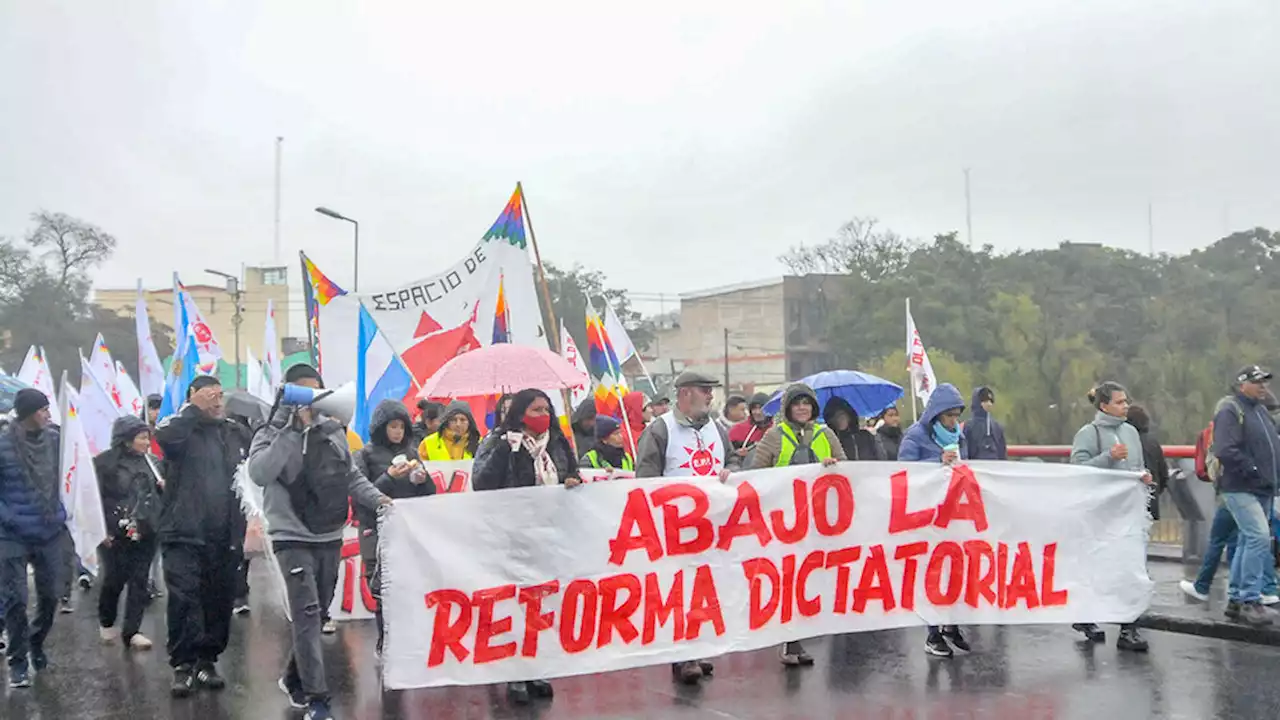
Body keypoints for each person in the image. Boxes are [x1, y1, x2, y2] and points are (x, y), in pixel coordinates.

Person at [247, 364, 392, 720]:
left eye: (318, 392)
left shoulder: (333, 430)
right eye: (305, 392)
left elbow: (350, 476)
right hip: (291, 536)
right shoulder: (271, 430)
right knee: (308, 614)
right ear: (290, 393)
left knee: (319, 609)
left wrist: (381, 501)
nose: (314, 399)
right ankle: (318, 699)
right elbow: (260, 472)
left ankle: (294, 678)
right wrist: (293, 429)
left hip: (328, 535)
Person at [471, 389, 578, 705]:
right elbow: (482, 483)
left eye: (547, 408)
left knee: (539, 604)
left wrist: (573, 480)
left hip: (546, 536)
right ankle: (513, 672)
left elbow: (570, 472)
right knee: (512, 604)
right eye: (535, 409)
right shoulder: (498, 442)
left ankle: (535, 667)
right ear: (519, 414)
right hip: (509, 538)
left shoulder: (557, 442)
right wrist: (506, 449)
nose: (543, 414)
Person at [635, 371, 739, 684]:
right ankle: (681, 657)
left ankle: (696, 648)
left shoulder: (716, 429)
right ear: (684, 394)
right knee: (677, 591)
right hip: (674, 527)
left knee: (703, 590)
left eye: (711, 390)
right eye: (704, 390)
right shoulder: (660, 430)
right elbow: (646, 478)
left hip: (710, 527)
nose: (710, 396)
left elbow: (734, 461)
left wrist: (730, 471)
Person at [155, 375, 250, 698]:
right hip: (183, 531)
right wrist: (192, 410)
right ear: (193, 396)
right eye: (210, 395)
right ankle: (182, 665)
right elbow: (164, 437)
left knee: (219, 600)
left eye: (220, 395)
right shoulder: (181, 429)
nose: (217, 401)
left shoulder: (233, 433)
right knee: (184, 597)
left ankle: (207, 659)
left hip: (223, 534)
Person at [748, 383, 844, 666]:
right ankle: (791, 642)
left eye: (807, 403)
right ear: (788, 407)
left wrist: (833, 465)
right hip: (785, 522)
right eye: (797, 402)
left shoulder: (826, 434)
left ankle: (798, 638)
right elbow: (756, 474)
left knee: (811, 579)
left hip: (818, 520)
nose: (802, 407)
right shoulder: (773, 436)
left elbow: (848, 469)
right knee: (789, 580)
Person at [1068, 381, 1155, 649]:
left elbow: (1136, 466)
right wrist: (1108, 456)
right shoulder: (1088, 433)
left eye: (1126, 401)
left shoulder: (1130, 432)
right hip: (1100, 515)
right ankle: (1085, 615)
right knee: (1099, 567)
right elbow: (1078, 469)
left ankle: (1129, 629)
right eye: (1119, 402)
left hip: (1128, 513)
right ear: (1104, 405)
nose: (1125, 406)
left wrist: (1143, 477)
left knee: (1132, 569)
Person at [898, 383, 972, 658]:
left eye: (956, 415)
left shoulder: (959, 437)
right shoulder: (915, 437)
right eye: (948, 416)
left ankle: (951, 625)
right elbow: (904, 473)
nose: (953, 421)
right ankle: (932, 634)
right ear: (936, 414)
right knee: (931, 573)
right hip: (926, 516)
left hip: (954, 513)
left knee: (955, 570)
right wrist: (936, 463)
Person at [0, 389, 67, 688]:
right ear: (27, 413)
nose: (48, 415)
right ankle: (17, 661)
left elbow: (71, 475)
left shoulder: (55, 441)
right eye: (42, 410)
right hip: (11, 533)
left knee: (51, 595)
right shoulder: (2, 445)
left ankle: (35, 641)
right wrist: (8, 517)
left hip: (48, 529)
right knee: (16, 599)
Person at [353, 399, 430, 656]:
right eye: (392, 426)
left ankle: (407, 638)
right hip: (375, 529)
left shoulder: (412, 453)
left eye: (401, 426)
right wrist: (389, 478)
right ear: (380, 427)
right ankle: (384, 640)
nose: (397, 431)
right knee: (382, 587)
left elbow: (430, 493)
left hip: (406, 529)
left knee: (407, 584)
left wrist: (422, 480)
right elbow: (362, 496)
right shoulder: (364, 455)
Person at [1206, 366, 1280, 627]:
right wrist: (1256, 471)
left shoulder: (1260, 411)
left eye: (1264, 382)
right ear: (1241, 385)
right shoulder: (1231, 410)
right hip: (1240, 486)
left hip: (1262, 487)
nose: (1263, 386)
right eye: (1256, 382)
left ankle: (1237, 600)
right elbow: (1226, 449)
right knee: (1259, 537)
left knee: (1250, 540)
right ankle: (1251, 600)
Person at [94, 414, 162, 651]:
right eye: (141, 437)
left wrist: (163, 488)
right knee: (115, 578)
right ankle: (107, 620)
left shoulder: (152, 462)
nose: (146, 442)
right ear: (125, 439)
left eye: (147, 437)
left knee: (140, 580)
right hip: (115, 532)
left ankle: (132, 630)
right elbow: (94, 499)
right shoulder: (104, 464)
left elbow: (158, 495)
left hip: (147, 531)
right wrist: (102, 529)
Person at [963, 387, 1008, 460]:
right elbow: (965, 451)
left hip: (995, 466)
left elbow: (1002, 452)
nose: (989, 404)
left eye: (990, 401)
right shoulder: (969, 426)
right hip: (975, 466)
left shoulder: (997, 426)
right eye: (985, 401)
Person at [620, 390, 647, 457]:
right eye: (647, 407)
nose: (651, 410)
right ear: (637, 409)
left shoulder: (649, 429)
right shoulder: (623, 433)